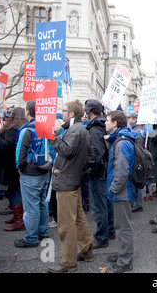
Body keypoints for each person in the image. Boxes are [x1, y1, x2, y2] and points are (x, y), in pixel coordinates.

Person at [47, 100, 94, 273]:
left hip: (67, 181)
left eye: (64, 111)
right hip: (72, 179)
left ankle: (68, 262)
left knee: (66, 224)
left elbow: (66, 150)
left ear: (72, 114)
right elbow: (90, 156)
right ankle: (87, 250)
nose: (62, 113)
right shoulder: (79, 129)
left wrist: (51, 137)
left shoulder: (75, 130)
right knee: (79, 217)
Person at [104, 110, 139, 273]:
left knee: (123, 226)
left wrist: (113, 189)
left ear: (115, 123)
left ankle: (125, 260)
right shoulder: (121, 139)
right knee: (122, 225)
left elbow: (122, 170)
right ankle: (123, 254)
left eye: (107, 120)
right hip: (123, 189)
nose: (105, 123)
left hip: (122, 191)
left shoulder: (121, 142)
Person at [14, 100, 51, 248]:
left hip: (30, 172)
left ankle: (31, 238)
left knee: (31, 206)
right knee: (42, 202)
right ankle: (43, 231)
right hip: (45, 169)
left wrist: (20, 168)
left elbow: (20, 153)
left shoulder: (27, 130)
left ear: (28, 112)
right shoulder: (46, 127)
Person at [0, 107, 27, 231]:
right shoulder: (18, 128)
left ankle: (19, 220)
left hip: (9, 166)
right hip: (12, 165)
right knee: (12, 191)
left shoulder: (13, 129)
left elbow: (7, 145)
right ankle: (17, 217)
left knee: (14, 191)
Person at [84, 99, 115, 249]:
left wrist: (91, 170)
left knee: (99, 206)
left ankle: (102, 237)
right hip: (105, 170)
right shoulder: (103, 126)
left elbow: (96, 154)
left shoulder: (95, 129)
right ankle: (110, 231)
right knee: (106, 203)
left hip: (99, 172)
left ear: (89, 112)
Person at [127, 111, 145, 212]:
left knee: (135, 181)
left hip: (137, 159)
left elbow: (137, 147)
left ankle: (137, 204)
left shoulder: (136, 131)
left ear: (134, 119)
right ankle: (138, 203)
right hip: (138, 159)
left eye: (129, 118)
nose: (127, 120)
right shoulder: (137, 130)